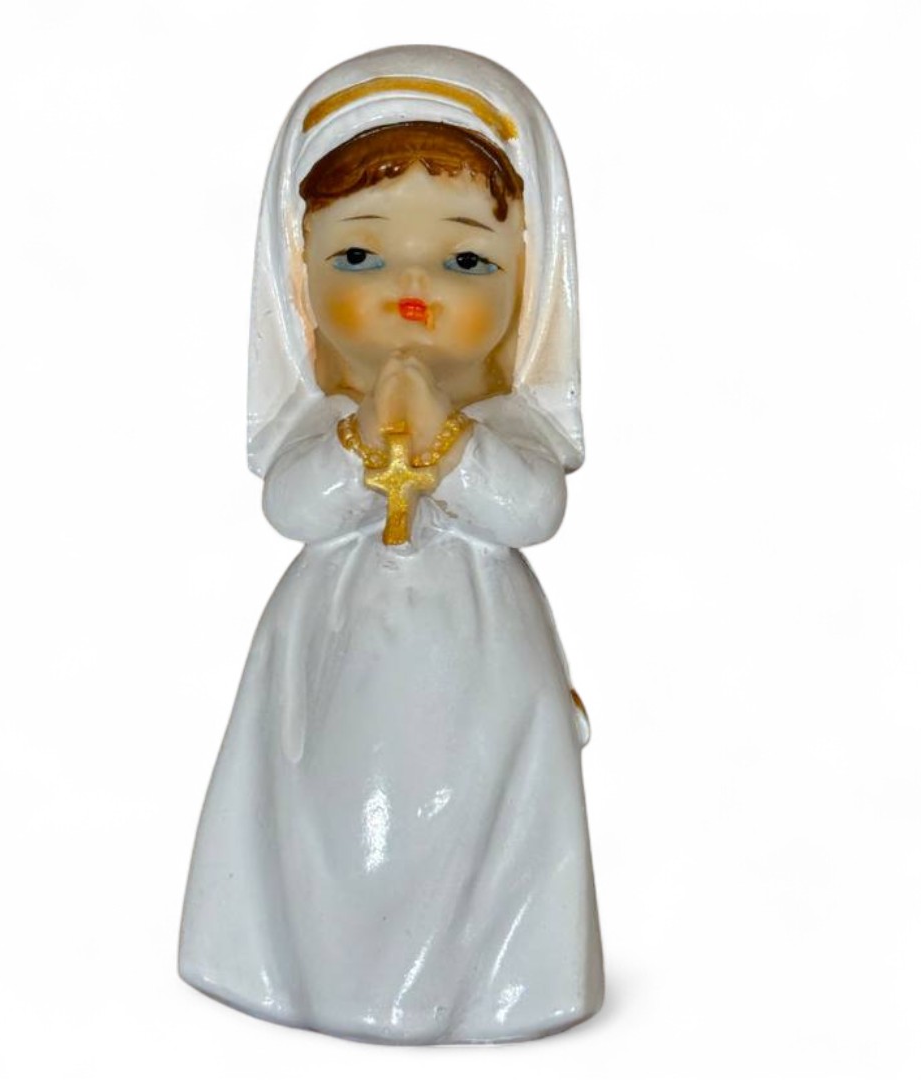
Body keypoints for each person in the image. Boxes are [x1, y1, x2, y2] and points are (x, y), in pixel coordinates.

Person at [179, 45, 604, 1044]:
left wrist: (449, 441)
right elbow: (293, 507)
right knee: (325, 818)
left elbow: (530, 511)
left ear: (529, 280)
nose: (412, 287)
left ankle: (486, 977)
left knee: (479, 827)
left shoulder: (509, 425)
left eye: (467, 261)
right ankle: (312, 963)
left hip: (481, 678)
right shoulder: (323, 422)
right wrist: (361, 438)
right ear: (298, 274)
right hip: (333, 672)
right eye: (359, 258)